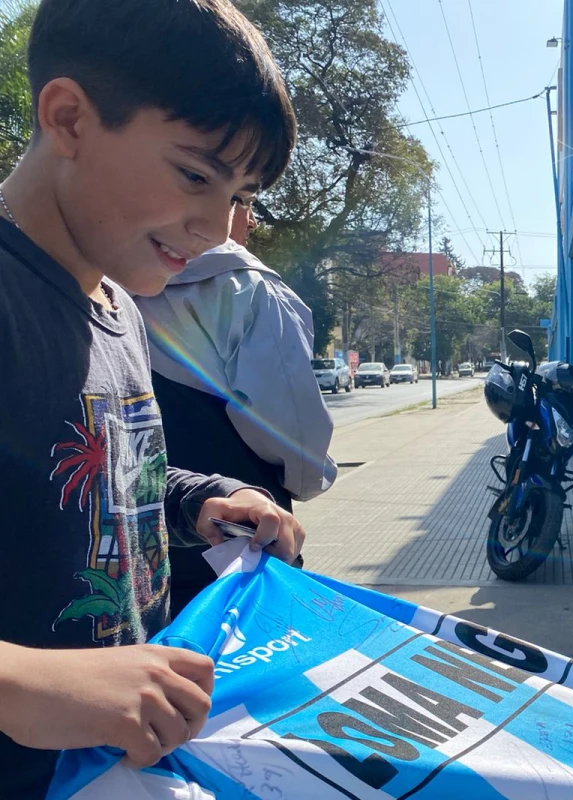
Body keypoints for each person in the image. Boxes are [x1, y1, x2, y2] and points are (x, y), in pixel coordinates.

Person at [0, 1, 302, 796]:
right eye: (197, 174)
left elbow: (96, 479)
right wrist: (22, 683)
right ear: (68, 117)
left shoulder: (121, 307)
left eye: (241, 194)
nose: (219, 226)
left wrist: (201, 499)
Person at [135, 202, 336, 610]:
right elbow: (294, 432)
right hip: (240, 534)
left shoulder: (107, 288)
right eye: (241, 197)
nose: (253, 218)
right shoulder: (250, 287)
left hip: (137, 549)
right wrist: (309, 478)